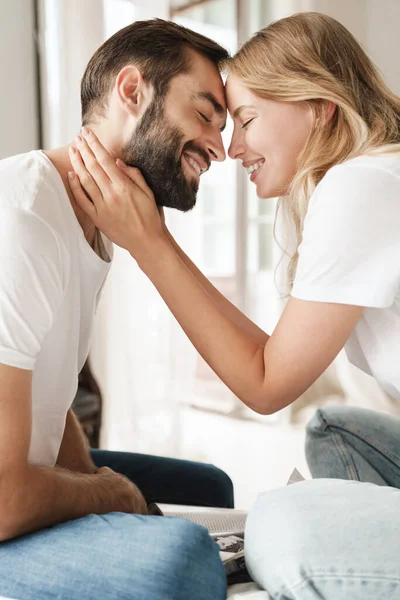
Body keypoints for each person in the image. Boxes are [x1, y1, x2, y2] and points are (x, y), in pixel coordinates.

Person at [70, 11, 400, 600]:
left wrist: (150, 241)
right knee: (332, 429)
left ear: (318, 105)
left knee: (277, 522)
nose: (231, 147)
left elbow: (267, 384)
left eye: (245, 120)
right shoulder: (369, 178)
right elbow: (272, 357)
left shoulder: (359, 185)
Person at [0, 19, 232, 600]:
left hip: (15, 475)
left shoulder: (96, 223)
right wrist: (112, 495)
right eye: (205, 114)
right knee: (181, 559)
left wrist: (96, 482)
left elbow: (49, 402)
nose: (221, 148)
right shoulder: (24, 219)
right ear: (132, 91)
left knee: (211, 489)